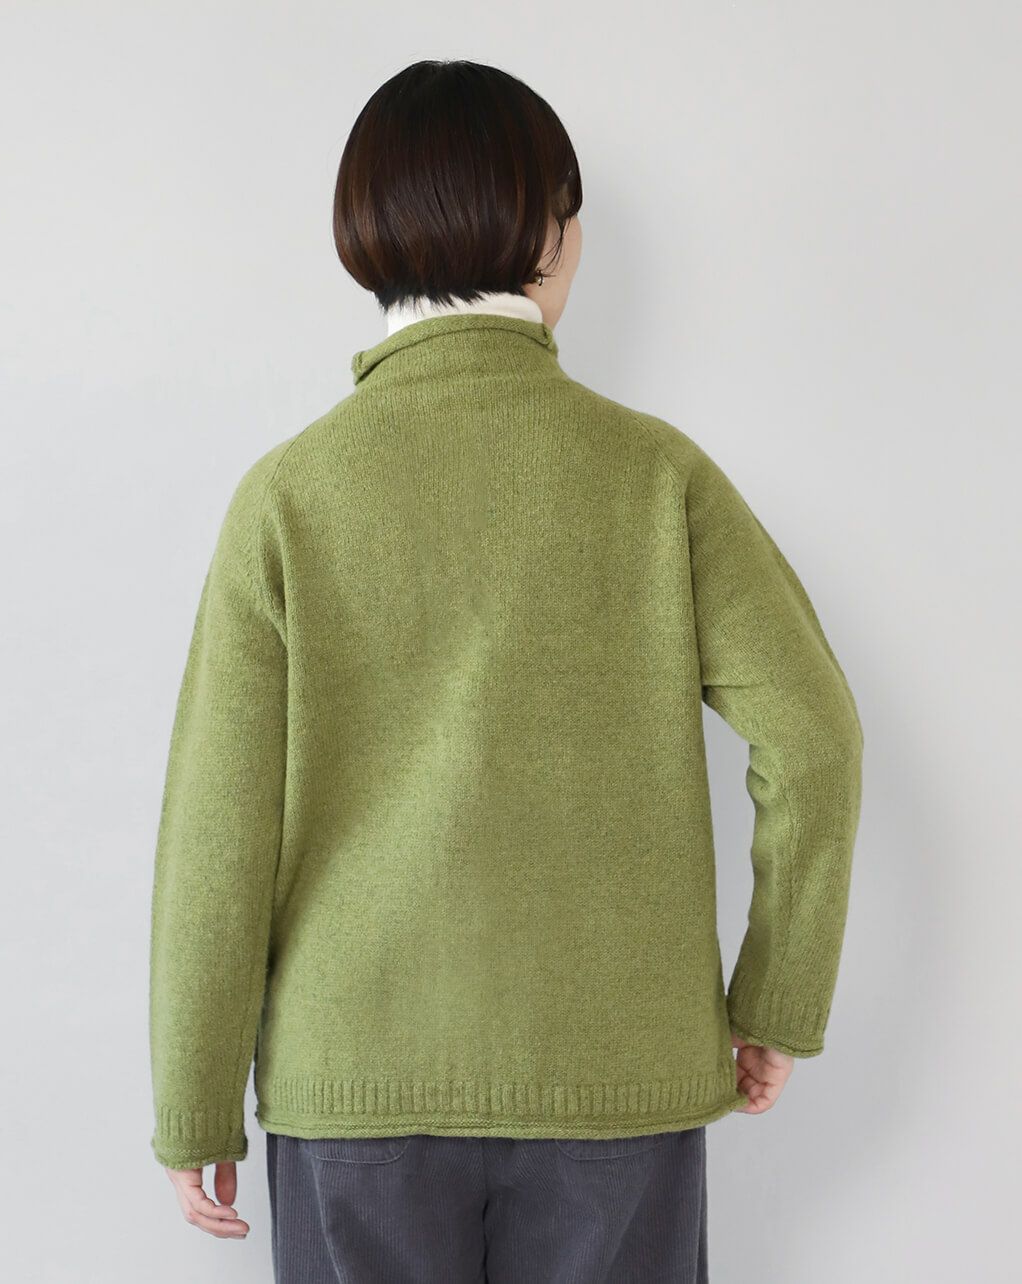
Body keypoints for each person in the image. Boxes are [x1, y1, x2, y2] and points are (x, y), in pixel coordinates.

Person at [148, 58, 864, 1283]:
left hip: (355, 1093)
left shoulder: (287, 499)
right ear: (551, 233)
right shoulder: (656, 477)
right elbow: (814, 739)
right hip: (615, 1084)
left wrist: (195, 1100)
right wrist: (772, 1000)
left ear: (364, 237)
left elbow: (220, 829)